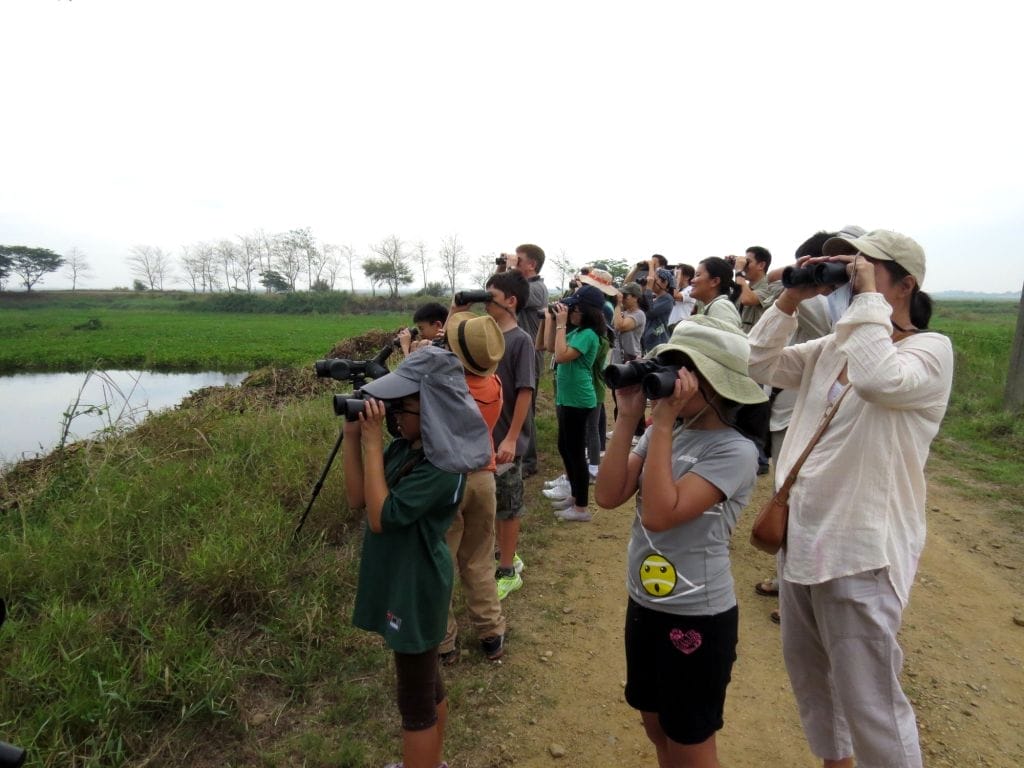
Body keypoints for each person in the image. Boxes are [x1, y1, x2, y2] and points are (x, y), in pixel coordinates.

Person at [747, 229, 953, 768]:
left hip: (862, 551)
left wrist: (864, 301)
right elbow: (760, 364)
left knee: (872, 704)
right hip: (805, 538)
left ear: (905, 284)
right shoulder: (837, 344)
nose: (850, 272)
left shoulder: (931, 351)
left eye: (863, 264)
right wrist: (791, 296)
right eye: (846, 264)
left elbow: (878, 378)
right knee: (814, 683)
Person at [595, 316, 767, 768]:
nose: (671, 381)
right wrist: (631, 416)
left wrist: (665, 423)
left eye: (683, 369)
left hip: (697, 615)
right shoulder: (659, 432)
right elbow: (609, 495)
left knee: (689, 738)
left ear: (712, 384)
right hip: (645, 603)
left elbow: (659, 513)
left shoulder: (735, 451)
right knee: (654, 723)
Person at [344, 345, 493, 768]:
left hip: (417, 587)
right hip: (404, 581)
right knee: (428, 686)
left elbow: (381, 517)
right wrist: (356, 438)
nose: (391, 417)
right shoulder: (407, 450)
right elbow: (359, 499)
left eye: (401, 409)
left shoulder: (442, 467)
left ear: (432, 411)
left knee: (414, 703)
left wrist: (372, 445)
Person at [438, 311, 508, 664]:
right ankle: (491, 634)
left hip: (449, 479)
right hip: (484, 477)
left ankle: (443, 643)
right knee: (480, 558)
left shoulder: (445, 385)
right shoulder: (493, 384)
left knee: (441, 562)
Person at [483, 270, 537, 599]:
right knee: (491, 504)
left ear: (511, 301)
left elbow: (526, 391)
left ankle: (507, 571)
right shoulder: (486, 336)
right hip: (485, 437)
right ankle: (509, 554)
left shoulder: (520, 340)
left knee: (508, 505)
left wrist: (512, 438)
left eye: (491, 297)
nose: (485, 302)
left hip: (506, 438)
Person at [539, 284, 607, 522]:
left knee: (576, 452)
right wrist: (549, 320)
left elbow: (561, 356)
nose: (572, 313)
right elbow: (549, 347)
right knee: (564, 447)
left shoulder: (589, 335)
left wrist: (560, 323)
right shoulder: (576, 332)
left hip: (579, 398)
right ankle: (575, 496)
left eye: (575, 309)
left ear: (588, 311)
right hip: (568, 397)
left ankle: (581, 508)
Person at [498, 244, 547, 478]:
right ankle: (521, 453)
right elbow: (498, 293)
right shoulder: (522, 283)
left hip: (529, 354)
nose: (515, 262)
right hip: (513, 351)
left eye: (519, 260)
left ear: (532, 264)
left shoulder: (538, 288)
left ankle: (528, 460)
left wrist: (510, 269)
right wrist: (502, 267)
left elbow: (513, 294)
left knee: (525, 408)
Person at [733, 247, 782, 333]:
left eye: (747, 262)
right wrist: (726, 269)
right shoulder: (744, 287)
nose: (744, 266)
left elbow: (747, 299)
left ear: (761, 265)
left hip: (756, 342)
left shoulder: (771, 286)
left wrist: (739, 271)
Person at [690, 257, 742, 330]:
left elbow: (728, 339)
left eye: (698, 275)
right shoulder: (711, 306)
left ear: (715, 281)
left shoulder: (720, 306)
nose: (692, 281)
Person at [642, 268, 675, 352]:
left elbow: (650, 312)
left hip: (658, 341)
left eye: (654, 280)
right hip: (649, 341)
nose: (652, 283)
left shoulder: (668, 299)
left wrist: (648, 289)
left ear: (665, 283)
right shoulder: (655, 298)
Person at [667, 264, 697, 329]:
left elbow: (675, 296)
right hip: (671, 326)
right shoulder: (677, 289)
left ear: (687, 277)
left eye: (678, 274)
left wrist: (675, 279)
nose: (675, 276)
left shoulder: (691, 290)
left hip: (681, 326)